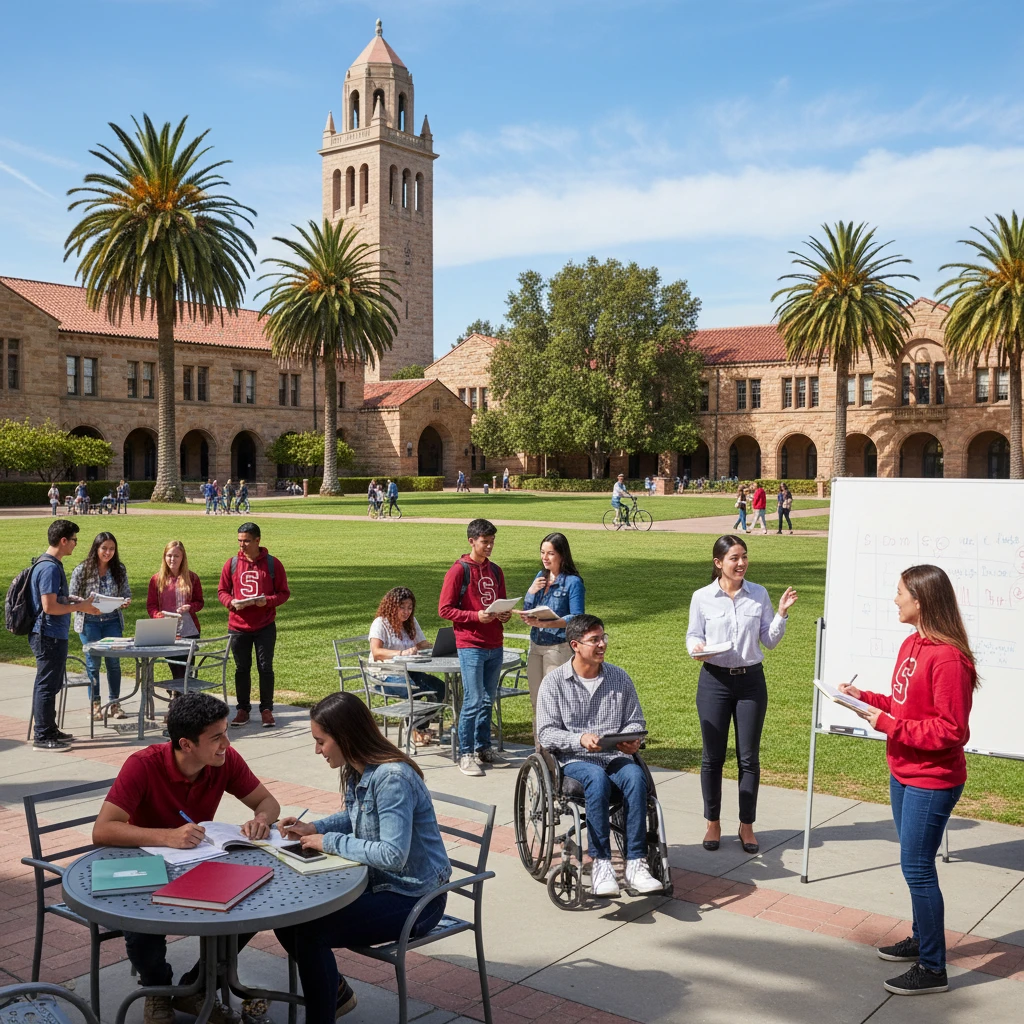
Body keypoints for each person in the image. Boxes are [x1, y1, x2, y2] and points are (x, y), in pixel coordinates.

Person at [92, 692, 280, 1024]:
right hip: (143, 864)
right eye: (217, 737)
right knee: (141, 922)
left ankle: (195, 987)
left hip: (198, 863)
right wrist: (168, 835)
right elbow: (103, 830)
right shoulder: (143, 765)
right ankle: (158, 991)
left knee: (253, 906)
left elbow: (267, 802)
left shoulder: (225, 760)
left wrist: (261, 820)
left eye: (226, 732)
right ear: (186, 744)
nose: (226, 742)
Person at [838, 565, 977, 997]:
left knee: (917, 869)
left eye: (899, 592)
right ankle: (921, 939)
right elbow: (904, 706)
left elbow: (951, 731)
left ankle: (933, 967)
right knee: (915, 865)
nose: (894, 599)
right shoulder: (912, 644)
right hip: (903, 772)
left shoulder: (949, 658)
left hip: (932, 780)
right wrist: (865, 699)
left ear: (921, 600)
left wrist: (886, 724)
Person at [275, 692, 451, 1022]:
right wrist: (311, 826)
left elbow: (392, 855)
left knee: (309, 933)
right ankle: (336, 994)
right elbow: (357, 817)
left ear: (345, 737)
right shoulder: (359, 768)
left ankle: (324, 1011)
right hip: (381, 886)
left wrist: (327, 841)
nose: (317, 750)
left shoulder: (391, 778)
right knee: (288, 920)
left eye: (321, 741)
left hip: (416, 899)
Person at [536, 615, 662, 896]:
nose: (602, 644)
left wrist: (632, 740)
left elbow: (634, 721)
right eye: (595, 640)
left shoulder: (620, 677)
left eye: (603, 637)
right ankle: (601, 862)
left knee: (634, 775)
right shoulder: (554, 683)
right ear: (575, 645)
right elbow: (546, 733)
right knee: (596, 778)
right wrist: (578, 738)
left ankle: (636, 863)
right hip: (573, 760)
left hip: (614, 756)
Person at [686, 535, 798, 853]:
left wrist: (782, 614)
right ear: (719, 563)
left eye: (744, 557)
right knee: (713, 758)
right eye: (734, 558)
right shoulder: (702, 597)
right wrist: (695, 648)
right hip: (714, 682)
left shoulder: (758, 594)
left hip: (750, 683)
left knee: (748, 758)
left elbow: (770, 640)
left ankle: (746, 825)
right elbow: (694, 634)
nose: (741, 563)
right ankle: (713, 822)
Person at [438, 518, 512, 776]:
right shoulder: (459, 570)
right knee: (472, 699)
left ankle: (484, 748)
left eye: (492, 542)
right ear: (472, 541)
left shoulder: (496, 571)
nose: (490, 547)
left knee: (487, 700)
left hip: (495, 642)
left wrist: (504, 615)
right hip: (471, 645)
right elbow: (444, 609)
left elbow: (501, 602)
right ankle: (465, 753)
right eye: (485, 542)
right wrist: (475, 617)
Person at [28, 520, 99, 750]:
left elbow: (55, 600)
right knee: (47, 685)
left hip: (52, 634)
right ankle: (43, 735)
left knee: (52, 683)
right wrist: (80, 607)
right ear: (63, 540)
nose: (76, 544)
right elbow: (49, 607)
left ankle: (50, 729)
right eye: (75, 540)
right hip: (48, 635)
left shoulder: (50, 564)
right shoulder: (49, 567)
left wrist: (71, 600)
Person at [219, 522, 290, 728]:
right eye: (239, 541)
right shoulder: (231, 563)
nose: (242, 545)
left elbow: (284, 593)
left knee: (265, 667)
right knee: (242, 668)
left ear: (258, 540)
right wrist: (230, 603)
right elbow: (222, 590)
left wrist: (267, 601)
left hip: (265, 625)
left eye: (246, 541)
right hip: (238, 626)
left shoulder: (272, 564)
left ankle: (266, 709)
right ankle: (243, 709)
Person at [368, 587, 446, 746]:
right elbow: (377, 652)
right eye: (402, 607)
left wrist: (433, 646)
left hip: (410, 670)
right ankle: (415, 730)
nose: (406, 612)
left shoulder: (411, 622)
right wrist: (402, 653)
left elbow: (421, 643)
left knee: (440, 689)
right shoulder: (380, 623)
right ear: (391, 606)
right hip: (385, 674)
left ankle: (418, 726)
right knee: (415, 691)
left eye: (409, 608)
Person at [517, 532, 585, 709]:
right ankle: (538, 738)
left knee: (554, 701)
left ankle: (556, 737)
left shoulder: (573, 582)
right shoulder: (541, 576)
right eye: (542, 552)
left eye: (550, 553)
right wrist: (531, 591)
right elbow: (528, 607)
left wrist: (548, 624)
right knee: (537, 702)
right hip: (536, 645)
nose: (544, 558)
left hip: (557, 647)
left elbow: (577, 616)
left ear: (562, 555)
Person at [70, 531, 132, 720]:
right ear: (96, 548)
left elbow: (126, 592)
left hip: (112, 620)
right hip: (90, 622)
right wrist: (87, 605)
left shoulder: (119, 569)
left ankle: (115, 704)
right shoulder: (82, 569)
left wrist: (125, 601)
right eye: (104, 548)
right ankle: (95, 705)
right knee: (93, 664)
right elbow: (71, 596)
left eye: (112, 549)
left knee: (113, 663)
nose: (108, 552)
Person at [147, 541, 204, 679]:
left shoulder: (192, 578)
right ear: (164, 557)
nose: (172, 559)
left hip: (189, 629)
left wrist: (190, 607)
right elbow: (151, 605)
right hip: (167, 629)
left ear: (183, 557)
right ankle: (177, 694)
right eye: (169, 555)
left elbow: (200, 602)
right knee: (175, 668)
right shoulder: (157, 579)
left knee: (187, 669)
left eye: (176, 556)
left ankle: (185, 695)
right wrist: (159, 616)